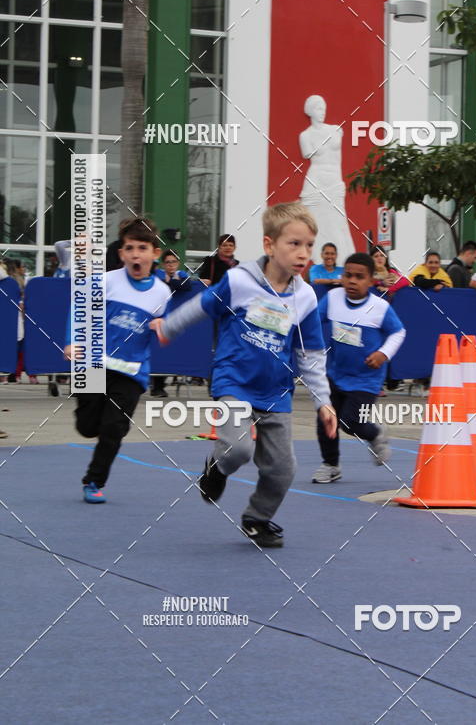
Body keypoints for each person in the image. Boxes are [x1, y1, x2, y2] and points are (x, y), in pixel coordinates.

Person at [151, 202, 337, 548]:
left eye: (309, 245)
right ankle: (216, 469)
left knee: (283, 469)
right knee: (237, 449)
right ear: (269, 245)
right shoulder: (239, 281)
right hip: (233, 381)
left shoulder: (306, 297)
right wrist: (169, 326)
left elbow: (310, 355)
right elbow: (201, 306)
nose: (303, 253)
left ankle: (257, 518)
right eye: (293, 244)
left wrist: (323, 402)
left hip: (275, 391)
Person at [64, 218, 171, 503]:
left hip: (131, 371)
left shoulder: (162, 292)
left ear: (154, 254)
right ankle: (91, 418)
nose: (136, 254)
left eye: (143, 248)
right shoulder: (105, 282)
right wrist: (72, 340)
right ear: (122, 253)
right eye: (130, 248)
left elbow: (165, 330)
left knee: (114, 428)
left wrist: (162, 329)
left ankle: (93, 481)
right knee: (87, 427)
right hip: (93, 363)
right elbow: (78, 308)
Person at [311, 252, 406, 484]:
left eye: (359, 277)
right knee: (326, 419)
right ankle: (331, 465)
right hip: (336, 373)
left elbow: (398, 332)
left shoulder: (379, 307)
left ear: (371, 280)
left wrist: (383, 353)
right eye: (348, 275)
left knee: (349, 422)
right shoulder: (333, 298)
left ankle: (375, 434)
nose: (352, 281)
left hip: (366, 379)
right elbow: (311, 320)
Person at [299, 95, 355, 261]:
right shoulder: (305, 135)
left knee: (338, 221)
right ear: (310, 111)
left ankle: (344, 259)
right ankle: (319, 259)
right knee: (316, 222)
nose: (322, 112)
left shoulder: (335, 130)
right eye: (318, 108)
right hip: (316, 180)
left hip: (334, 180)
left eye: (324, 108)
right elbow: (307, 153)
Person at [151, 251, 193, 398]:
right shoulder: (157, 275)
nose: (171, 265)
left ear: (178, 263)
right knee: (157, 349)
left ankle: (161, 384)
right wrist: (168, 282)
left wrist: (170, 282)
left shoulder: (181, 275)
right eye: (168, 262)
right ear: (163, 264)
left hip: (175, 319)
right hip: (158, 317)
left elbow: (187, 286)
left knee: (169, 349)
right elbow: (159, 285)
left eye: (174, 262)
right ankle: (156, 385)